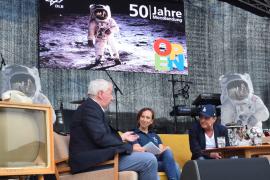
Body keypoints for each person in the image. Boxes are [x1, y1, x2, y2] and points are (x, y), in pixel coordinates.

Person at [69, 79, 158, 180]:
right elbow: (101, 138)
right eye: (110, 93)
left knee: (149, 160)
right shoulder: (90, 109)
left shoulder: (91, 108)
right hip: (91, 162)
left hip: (99, 157)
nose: (112, 98)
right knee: (149, 160)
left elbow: (100, 136)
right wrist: (130, 148)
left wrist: (122, 137)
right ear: (101, 94)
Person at [132, 107, 181, 180]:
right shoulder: (133, 134)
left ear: (151, 121)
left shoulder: (155, 135)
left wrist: (165, 148)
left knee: (168, 152)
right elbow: (138, 150)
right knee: (174, 165)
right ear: (139, 118)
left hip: (158, 162)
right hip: (147, 163)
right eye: (142, 117)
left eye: (148, 118)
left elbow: (161, 149)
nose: (144, 120)